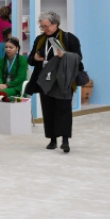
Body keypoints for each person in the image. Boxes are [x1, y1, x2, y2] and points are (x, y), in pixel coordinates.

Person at [26, 11, 84, 153]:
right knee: (48, 110)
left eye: (46, 26)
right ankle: (52, 140)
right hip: (45, 80)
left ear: (55, 24)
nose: (44, 29)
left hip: (63, 80)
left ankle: (65, 141)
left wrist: (64, 55)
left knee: (63, 110)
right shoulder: (40, 39)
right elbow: (30, 59)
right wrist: (35, 58)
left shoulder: (69, 38)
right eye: (42, 27)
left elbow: (78, 57)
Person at [0, 37, 28, 101]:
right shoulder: (2, 60)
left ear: (17, 48)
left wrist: (7, 85)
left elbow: (21, 77)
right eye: (6, 47)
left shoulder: (22, 60)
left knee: (1, 93)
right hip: (3, 85)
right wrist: (0, 84)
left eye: (11, 47)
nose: (8, 49)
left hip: (17, 87)